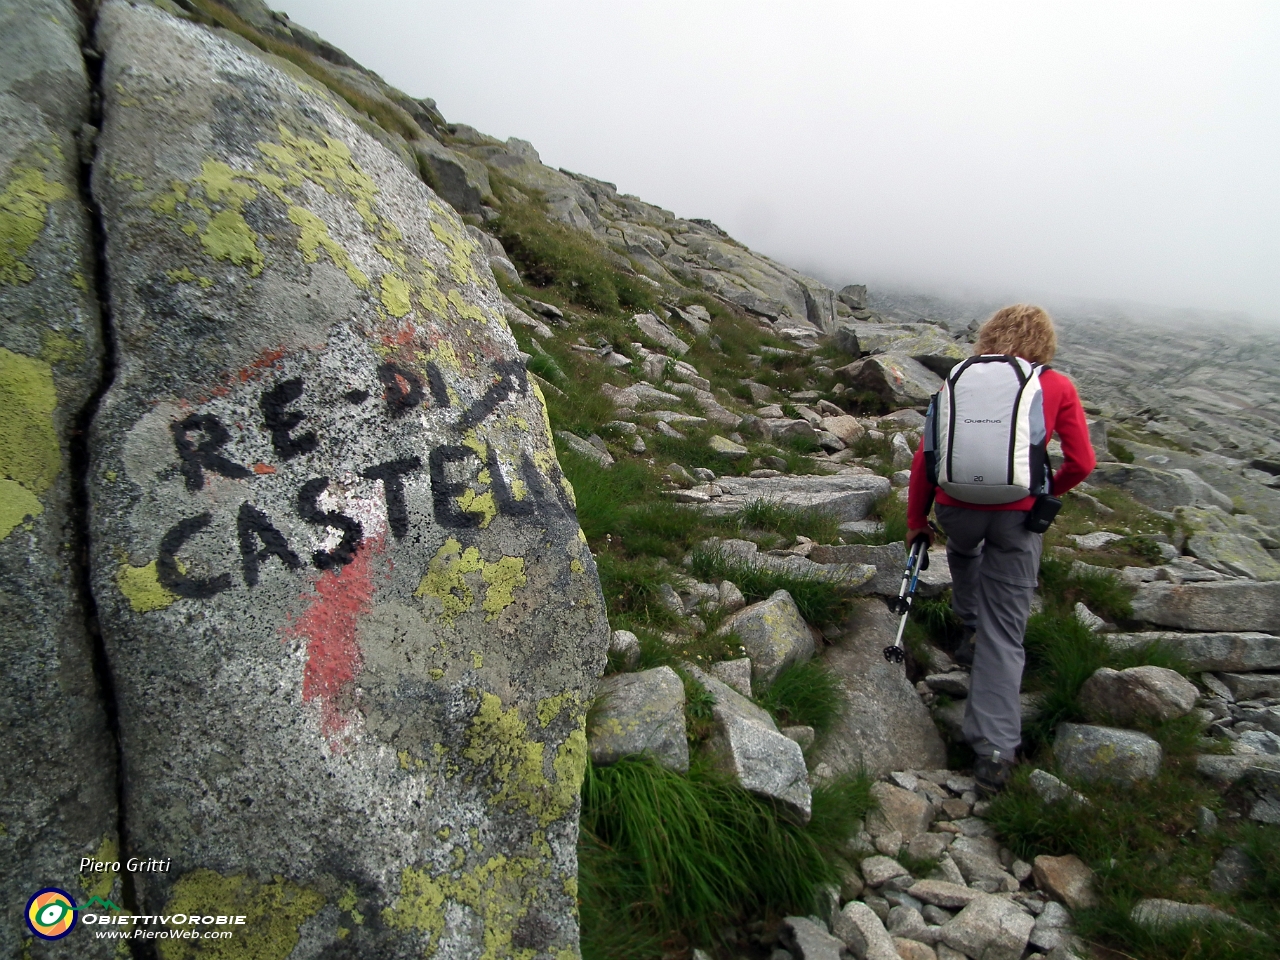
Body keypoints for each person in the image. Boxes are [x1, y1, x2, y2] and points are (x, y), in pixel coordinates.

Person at [906, 304, 1096, 796]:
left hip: (954, 507)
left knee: (965, 552)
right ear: (1044, 342)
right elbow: (1082, 461)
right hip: (1017, 515)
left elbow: (926, 459)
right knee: (1005, 633)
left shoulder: (956, 380)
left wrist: (915, 521)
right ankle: (993, 750)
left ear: (989, 336)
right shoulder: (1055, 385)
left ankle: (967, 621)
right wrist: (1048, 493)